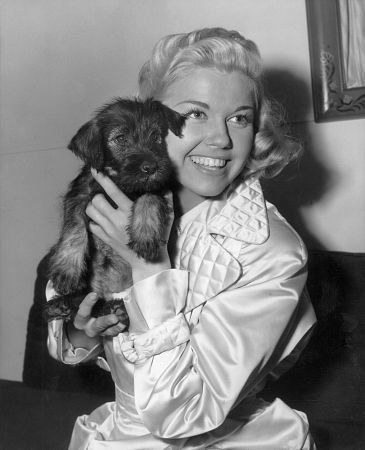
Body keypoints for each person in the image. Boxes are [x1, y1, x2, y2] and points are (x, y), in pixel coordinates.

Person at [47, 27, 317, 449]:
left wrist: (148, 266)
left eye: (240, 118)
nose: (222, 138)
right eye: (195, 114)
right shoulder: (118, 205)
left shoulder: (274, 253)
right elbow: (76, 343)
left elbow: (183, 415)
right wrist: (86, 331)